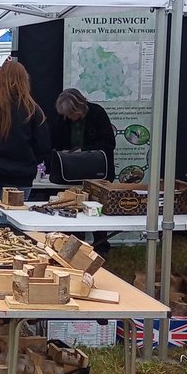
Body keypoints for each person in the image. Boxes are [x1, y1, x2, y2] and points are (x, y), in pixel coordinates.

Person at [0, 59, 50, 224]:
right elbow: (43, 147)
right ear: (24, 80)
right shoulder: (33, 111)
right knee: (14, 223)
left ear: (1, 79)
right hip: (20, 176)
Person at [51, 88, 117, 254]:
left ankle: (101, 246)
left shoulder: (97, 113)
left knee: (97, 207)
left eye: (71, 114)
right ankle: (75, 243)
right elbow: (56, 142)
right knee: (72, 205)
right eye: (65, 114)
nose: (68, 118)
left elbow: (109, 143)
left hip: (98, 171)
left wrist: (85, 150)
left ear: (79, 108)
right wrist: (63, 153)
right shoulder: (63, 118)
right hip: (72, 173)